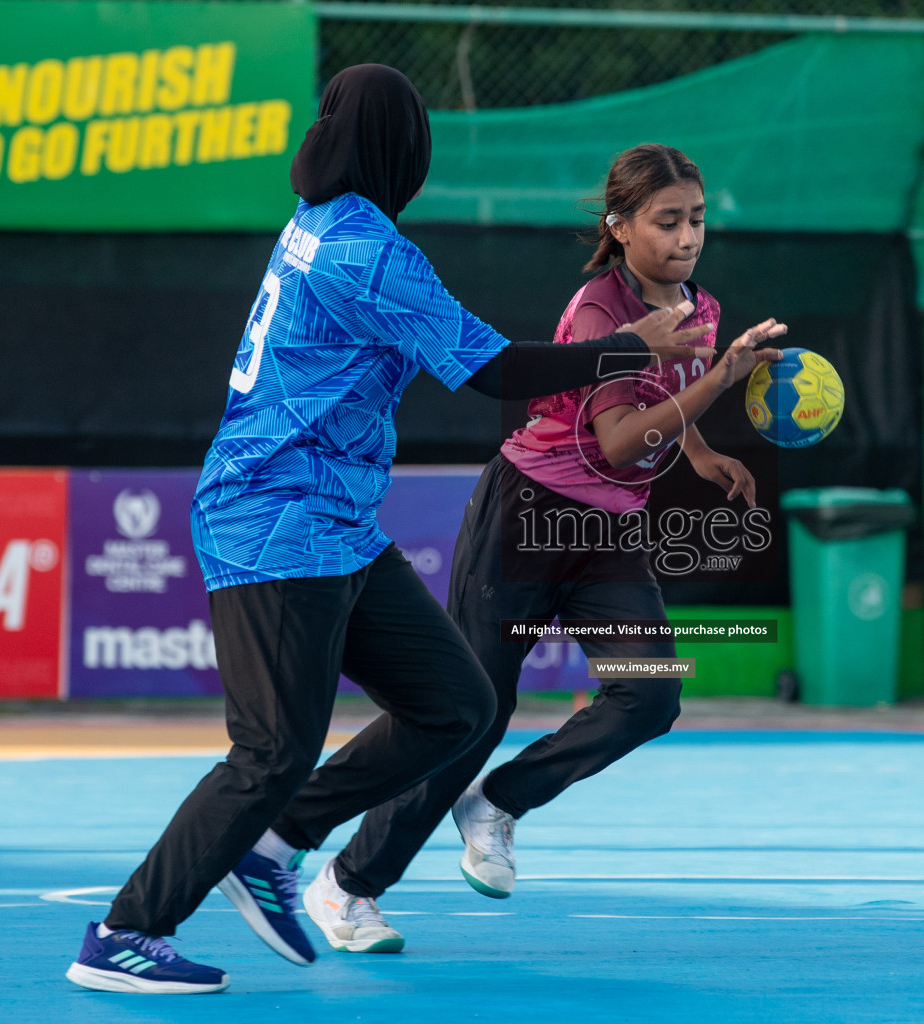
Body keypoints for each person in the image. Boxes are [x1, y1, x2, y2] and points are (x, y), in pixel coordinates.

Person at [65, 67, 719, 995]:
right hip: (275, 520)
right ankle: (128, 932)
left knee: (457, 703)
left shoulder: (318, 225)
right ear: (398, 148)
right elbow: (491, 369)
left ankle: (282, 845)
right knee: (271, 752)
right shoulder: (367, 251)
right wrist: (637, 346)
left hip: (332, 523)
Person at [279, 142, 785, 952]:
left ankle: (498, 801)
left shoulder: (702, 308)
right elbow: (618, 439)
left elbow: (664, 406)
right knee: (471, 714)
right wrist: (719, 380)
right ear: (621, 227)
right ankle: (347, 885)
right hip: (525, 517)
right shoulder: (599, 311)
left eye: (696, 219)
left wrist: (702, 450)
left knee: (650, 695)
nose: (687, 236)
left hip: (608, 532)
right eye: (667, 221)